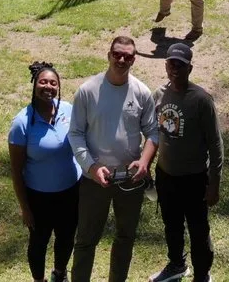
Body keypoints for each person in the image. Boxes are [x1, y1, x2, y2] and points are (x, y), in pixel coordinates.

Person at [69, 36, 159, 282]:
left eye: (127, 56)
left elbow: (152, 132)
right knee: (86, 239)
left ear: (134, 59)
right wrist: (92, 166)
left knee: (125, 238)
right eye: (117, 54)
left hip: (130, 179)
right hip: (94, 178)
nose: (121, 60)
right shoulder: (88, 91)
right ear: (108, 55)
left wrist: (144, 162)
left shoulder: (141, 92)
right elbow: (75, 133)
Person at [149, 43, 223, 282]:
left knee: (198, 229)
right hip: (166, 175)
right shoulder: (159, 94)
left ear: (190, 68)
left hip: (194, 178)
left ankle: (202, 274)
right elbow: (152, 134)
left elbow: (215, 144)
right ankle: (177, 264)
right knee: (171, 225)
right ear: (166, 65)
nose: (175, 69)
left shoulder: (201, 100)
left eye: (181, 65)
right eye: (172, 64)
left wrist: (214, 184)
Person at [8, 61, 82, 282]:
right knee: (39, 242)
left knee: (66, 237)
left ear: (58, 86)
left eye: (53, 83)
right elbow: (16, 171)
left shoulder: (69, 111)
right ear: (34, 85)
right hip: (38, 197)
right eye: (43, 82)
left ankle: (59, 273)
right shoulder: (22, 123)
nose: (48, 86)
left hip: (70, 191)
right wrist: (25, 208)